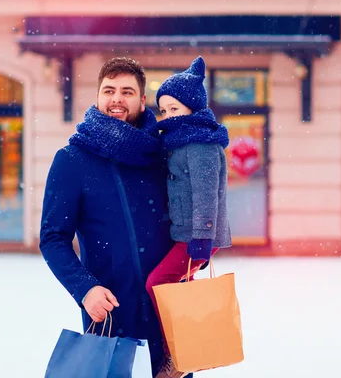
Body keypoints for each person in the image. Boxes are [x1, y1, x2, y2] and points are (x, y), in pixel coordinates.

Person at [39, 57, 175, 377]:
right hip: (112, 312)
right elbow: (53, 238)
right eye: (108, 90)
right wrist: (85, 289)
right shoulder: (73, 160)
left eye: (127, 91)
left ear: (142, 101)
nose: (117, 98)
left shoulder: (163, 156)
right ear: (98, 98)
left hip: (168, 312)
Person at [145, 56, 233, 378]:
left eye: (175, 109)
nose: (168, 116)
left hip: (195, 237)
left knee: (158, 282)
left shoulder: (200, 144)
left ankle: (179, 356)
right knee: (182, 289)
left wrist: (202, 238)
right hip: (188, 234)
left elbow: (207, 195)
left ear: (192, 109)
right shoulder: (180, 142)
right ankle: (192, 346)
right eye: (164, 110)